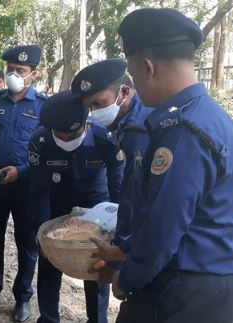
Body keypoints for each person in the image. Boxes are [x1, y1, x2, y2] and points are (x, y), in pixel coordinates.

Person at [111, 8, 233, 323]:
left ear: (148, 67)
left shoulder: (183, 132)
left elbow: (163, 227)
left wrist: (127, 279)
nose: (135, 84)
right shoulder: (211, 117)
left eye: (134, 75)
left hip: (180, 289)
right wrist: (124, 250)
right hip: (209, 284)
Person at [28, 90, 125, 323]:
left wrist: (118, 228)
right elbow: (37, 191)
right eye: (61, 135)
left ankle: (97, 319)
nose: (67, 140)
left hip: (96, 203)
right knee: (49, 261)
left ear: (85, 124)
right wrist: (41, 234)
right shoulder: (40, 142)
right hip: (57, 202)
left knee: (95, 264)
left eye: (73, 135)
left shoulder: (104, 138)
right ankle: (49, 318)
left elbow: (118, 185)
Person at [0, 45, 47, 322]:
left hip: (27, 188)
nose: (14, 74)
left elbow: (48, 151)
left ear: (34, 74)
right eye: (11, 69)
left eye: (21, 71)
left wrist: (22, 170)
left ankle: (23, 297)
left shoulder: (43, 107)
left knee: (27, 243)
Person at [71, 59, 153, 279]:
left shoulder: (138, 128)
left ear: (124, 92)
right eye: (90, 108)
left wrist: (121, 253)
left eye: (99, 103)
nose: (95, 112)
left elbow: (138, 194)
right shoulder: (127, 121)